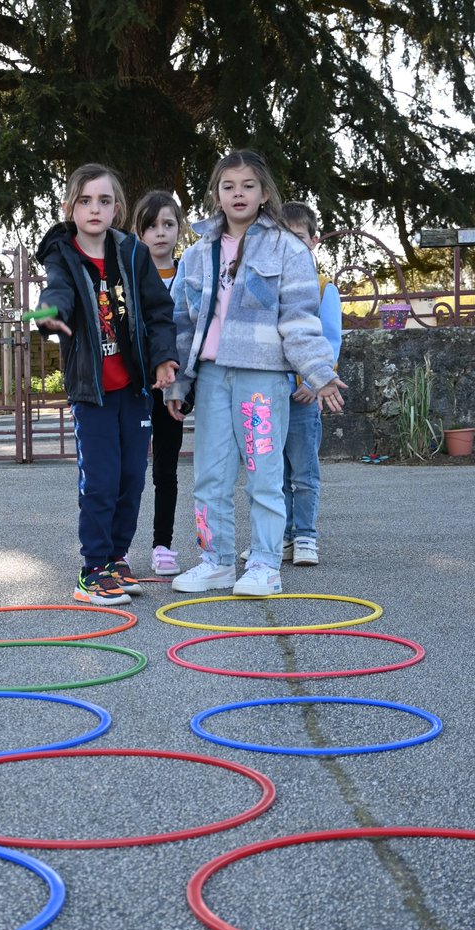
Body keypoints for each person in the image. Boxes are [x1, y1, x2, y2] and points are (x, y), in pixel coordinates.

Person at [164, 149, 345, 597]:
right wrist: (179, 382)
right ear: (216, 194)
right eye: (229, 186)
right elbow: (183, 324)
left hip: (262, 381)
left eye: (248, 186)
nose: (238, 193)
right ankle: (216, 560)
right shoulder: (197, 253)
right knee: (209, 474)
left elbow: (300, 319)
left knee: (265, 472)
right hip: (210, 378)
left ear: (265, 192)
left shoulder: (288, 248)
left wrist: (318, 373)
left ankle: (265, 563)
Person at [35, 163, 179, 605]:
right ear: (70, 208)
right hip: (92, 392)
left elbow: (158, 311)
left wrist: (163, 359)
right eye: (85, 200)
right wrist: (48, 315)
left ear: (117, 207)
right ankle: (91, 568)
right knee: (100, 480)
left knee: (131, 478)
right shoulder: (63, 254)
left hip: (133, 390)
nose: (94, 208)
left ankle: (116, 558)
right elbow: (57, 292)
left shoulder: (132, 253)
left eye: (104, 200)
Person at [280, 200, 343, 565]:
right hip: (272, 395)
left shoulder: (323, 288)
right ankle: (282, 536)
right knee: (275, 475)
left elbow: (330, 340)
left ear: (314, 240)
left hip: (305, 396)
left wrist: (315, 380)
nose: (293, 245)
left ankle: (305, 535)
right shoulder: (275, 287)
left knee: (303, 472)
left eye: (299, 238)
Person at [133, 190, 190, 577]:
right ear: (139, 232)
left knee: (166, 471)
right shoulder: (128, 275)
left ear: (179, 230)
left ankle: (163, 545)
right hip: (135, 389)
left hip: (173, 391)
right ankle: (118, 550)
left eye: (168, 224)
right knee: (129, 470)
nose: (160, 233)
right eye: (151, 226)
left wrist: (181, 386)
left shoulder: (191, 276)